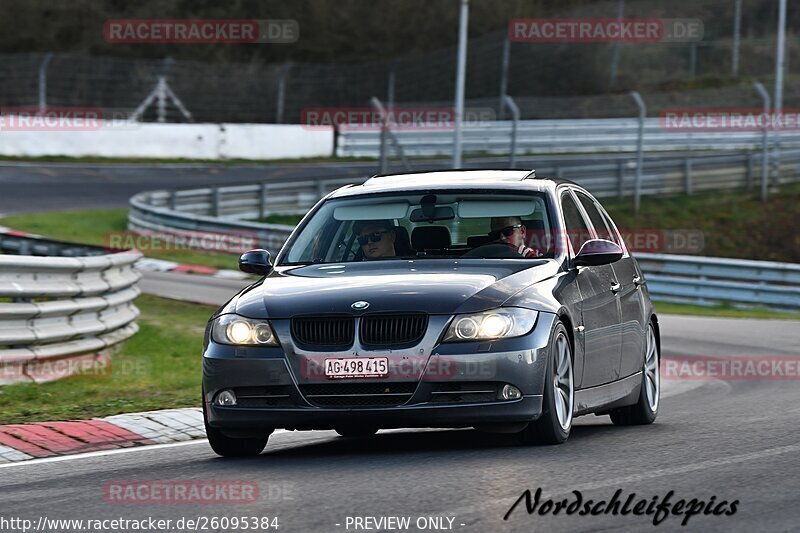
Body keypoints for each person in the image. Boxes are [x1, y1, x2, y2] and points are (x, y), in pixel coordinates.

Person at [463, 216, 541, 258]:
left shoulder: (529, 256)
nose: (502, 238)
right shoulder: (483, 257)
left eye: (507, 231)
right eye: (496, 234)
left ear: (522, 231)